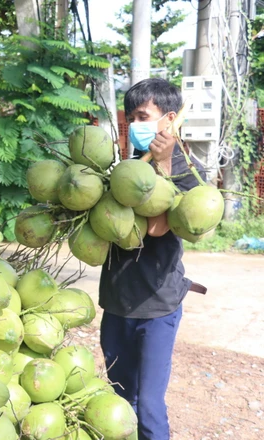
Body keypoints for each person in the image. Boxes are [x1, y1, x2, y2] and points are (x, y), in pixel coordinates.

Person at [99, 78, 206, 440]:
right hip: (116, 302)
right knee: (119, 397)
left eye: (143, 116)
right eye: (131, 118)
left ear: (170, 120)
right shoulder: (124, 170)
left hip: (157, 306)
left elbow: (158, 226)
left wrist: (162, 163)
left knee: (148, 406)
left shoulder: (190, 174)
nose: (135, 124)